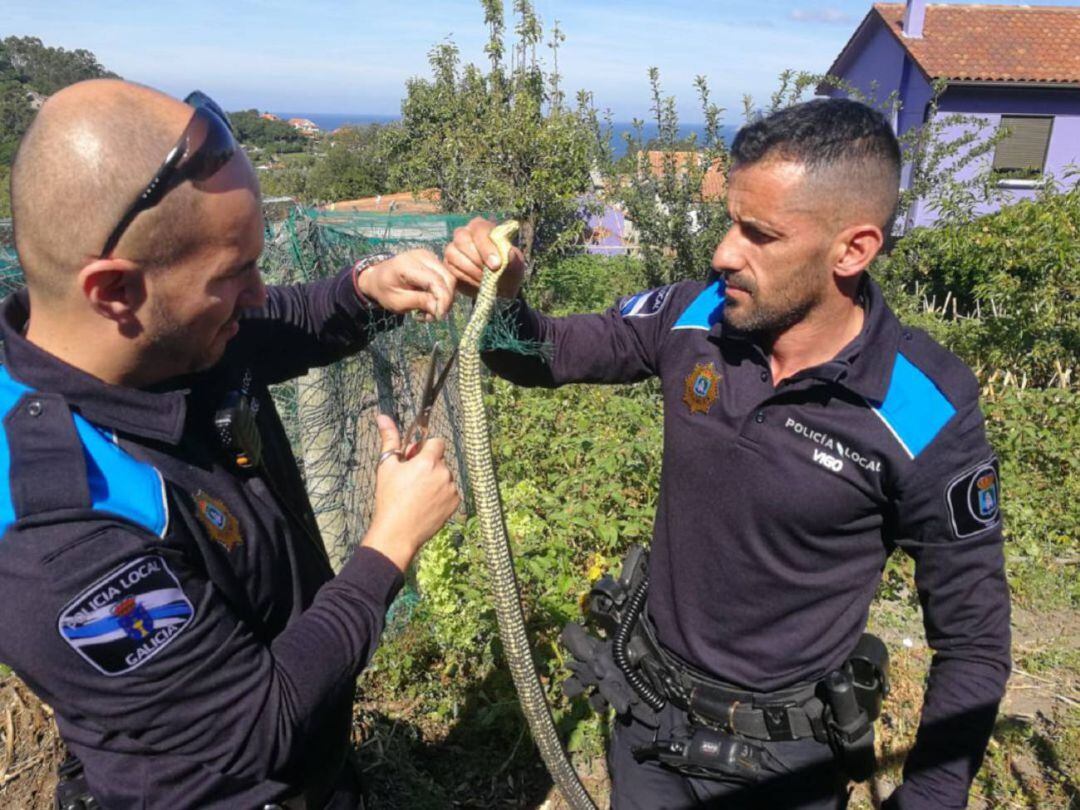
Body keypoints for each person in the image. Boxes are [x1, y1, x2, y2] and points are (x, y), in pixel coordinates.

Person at [445, 99, 1010, 809]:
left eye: (759, 233)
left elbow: (974, 640)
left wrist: (930, 799)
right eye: (730, 220)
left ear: (853, 249)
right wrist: (500, 301)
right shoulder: (697, 316)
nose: (723, 253)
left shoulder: (923, 410)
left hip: (786, 764)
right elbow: (540, 355)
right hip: (646, 720)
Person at [0, 79, 461, 809]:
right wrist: (390, 544)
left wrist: (364, 288)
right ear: (115, 291)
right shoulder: (56, 530)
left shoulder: (167, 337)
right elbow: (260, 723)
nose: (258, 291)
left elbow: (277, 318)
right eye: (235, 272)